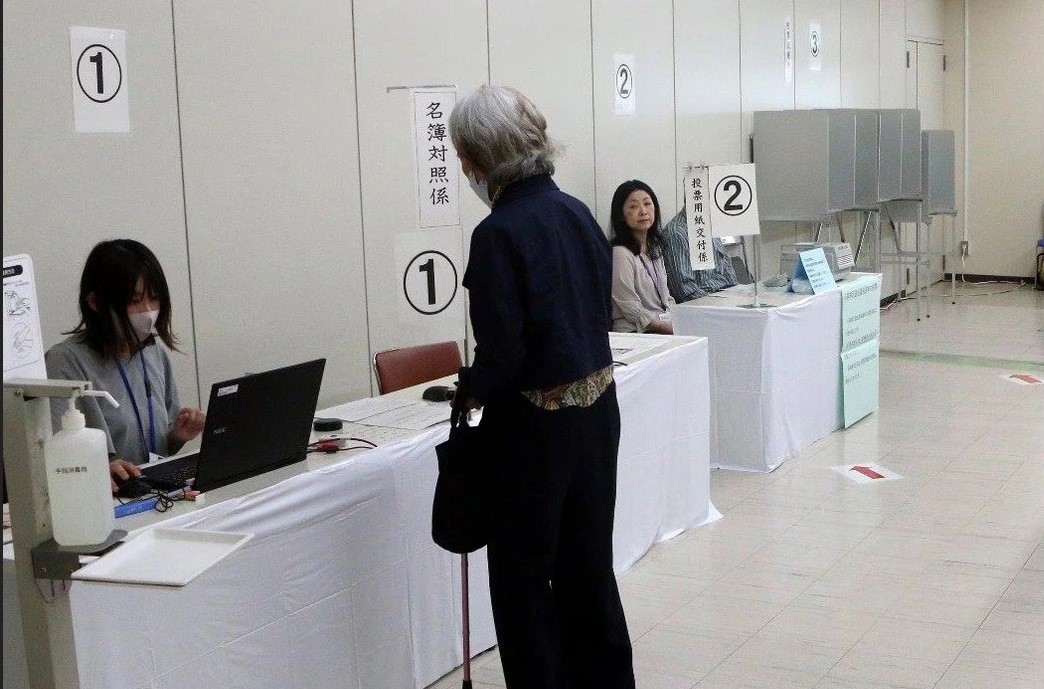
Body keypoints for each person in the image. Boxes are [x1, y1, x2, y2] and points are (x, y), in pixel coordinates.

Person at [450, 85, 635, 689]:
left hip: (533, 433)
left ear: (480, 157)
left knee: (523, 582)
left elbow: (504, 355)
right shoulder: (577, 212)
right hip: (598, 413)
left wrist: (471, 388)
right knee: (589, 568)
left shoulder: (497, 233)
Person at [45, 239, 205, 493]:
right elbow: (52, 460)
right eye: (135, 300)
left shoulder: (153, 353)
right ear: (96, 303)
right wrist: (98, 469)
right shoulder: (64, 362)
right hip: (101, 499)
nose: (148, 311)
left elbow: (157, 451)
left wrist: (177, 436)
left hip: (153, 492)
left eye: (154, 298)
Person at [609, 180, 675, 333]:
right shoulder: (620, 253)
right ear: (621, 215)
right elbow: (630, 307)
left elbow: (666, 297)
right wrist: (671, 329)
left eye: (647, 204)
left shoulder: (655, 248)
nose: (643, 211)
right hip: (636, 333)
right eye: (633, 206)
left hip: (661, 327)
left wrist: (677, 318)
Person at [660, 204, 739, 302]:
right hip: (701, 304)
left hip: (723, 297)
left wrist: (735, 295)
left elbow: (728, 271)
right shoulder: (676, 233)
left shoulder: (709, 224)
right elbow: (686, 292)